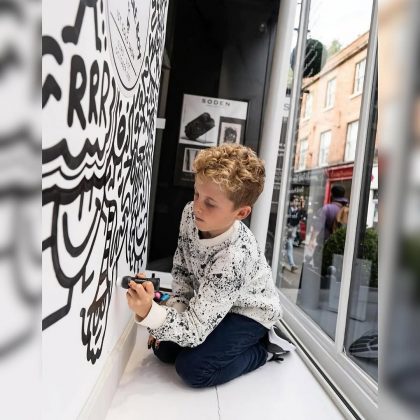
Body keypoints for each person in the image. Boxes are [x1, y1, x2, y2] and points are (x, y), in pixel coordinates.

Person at [125, 144, 294, 388]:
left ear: (242, 212)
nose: (197, 207)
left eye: (211, 203)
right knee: (164, 351)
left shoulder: (235, 257)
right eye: (196, 195)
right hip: (211, 302)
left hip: (248, 313)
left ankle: (263, 350)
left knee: (193, 369)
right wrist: (171, 309)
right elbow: (182, 269)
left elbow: (193, 330)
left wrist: (150, 313)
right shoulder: (190, 215)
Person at [308, 185, 349, 255]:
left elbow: (318, 226)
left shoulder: (327, 208)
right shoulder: (348, 210)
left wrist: (311, 240)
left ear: (332, 195)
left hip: (325, 246)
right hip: (342, 248)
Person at [286, 196, 301, 272]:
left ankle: (292, 265)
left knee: (289, 247)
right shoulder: (287, 209)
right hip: (285, 231)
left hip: (292, 232)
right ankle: (291, 265)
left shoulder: (298, 211)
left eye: (297, 201)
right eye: (295, 201)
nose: (296, 203)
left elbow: (298, 222)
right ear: (291, 202)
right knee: (289, 247)